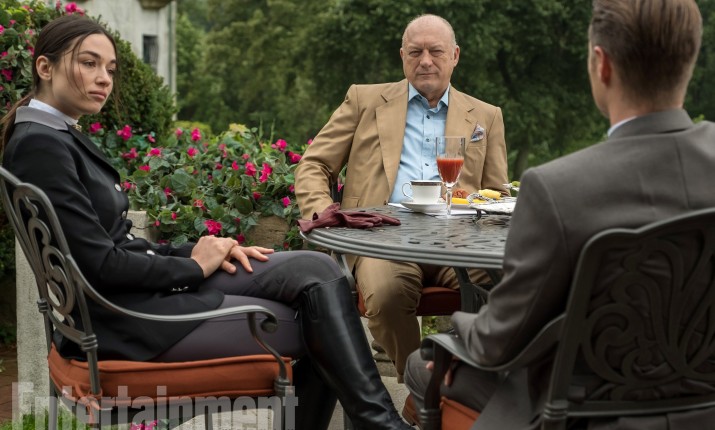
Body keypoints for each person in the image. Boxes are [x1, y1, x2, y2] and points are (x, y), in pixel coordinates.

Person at [0, 14, 413, 430]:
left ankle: (378, 423)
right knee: (318, 322)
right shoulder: (41, 146)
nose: (104, 78)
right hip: (127, 321)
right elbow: (101, 266)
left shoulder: (52, 135)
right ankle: (381, 424)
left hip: (132, 300)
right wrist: (194, 267)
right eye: (89, 63)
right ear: (45, 67)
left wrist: (200, 251)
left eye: (110, 68)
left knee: (316, 268)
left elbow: (111, 247)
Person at [405, 0, 715, 428]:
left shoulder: (559, 189)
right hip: (703, 406)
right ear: (689, 61)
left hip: (578, 412)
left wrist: (459, 327)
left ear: (601, 65)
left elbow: (497, 342)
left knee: (420, 365)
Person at [295, 14, 509, 382]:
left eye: (436, 51)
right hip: (382, 240)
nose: (425, 61)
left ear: (455, 55)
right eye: (415, 52)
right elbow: (314, 165)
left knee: (509, 285)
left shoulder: (486, 116)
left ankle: (468, 383)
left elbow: (497, 193)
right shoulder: (364, 100)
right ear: (402, 56)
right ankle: (421, 385)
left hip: (459, 241)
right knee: (386, 293)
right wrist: (325, 216)